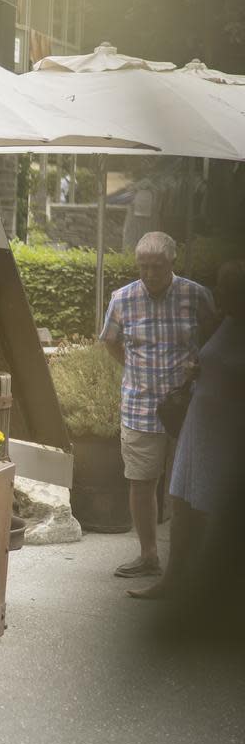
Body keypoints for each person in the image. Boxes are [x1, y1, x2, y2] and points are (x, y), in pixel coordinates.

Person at [100, 232, 216, 580]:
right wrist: (136, 370)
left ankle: (192, 561)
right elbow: (110, 340)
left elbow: (216, 334)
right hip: (140, 405)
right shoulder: (122, 299)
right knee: (141, 481)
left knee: (189, 486)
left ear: (172, 263)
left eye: (157, 266)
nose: (149, 273)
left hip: (188, 408)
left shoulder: (195, 295)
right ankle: (148, 555)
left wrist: (201, 366)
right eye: (143, 266)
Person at [129, 260, 244, 600]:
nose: (218, 293)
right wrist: (197, 369)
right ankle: (172, 581)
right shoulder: (226, 322)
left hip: (229, 435)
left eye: (225, 288)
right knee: (183, 506)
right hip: (201, 430)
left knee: (220, 511)